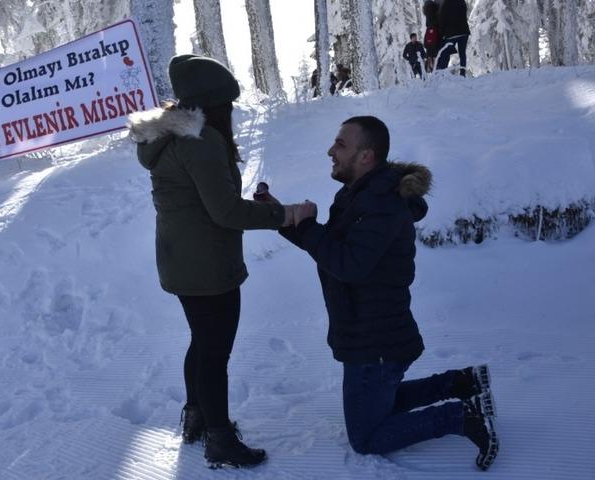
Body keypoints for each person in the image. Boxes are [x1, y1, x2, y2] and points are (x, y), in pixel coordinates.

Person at [269, 116, 499, 471]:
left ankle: (461, 417)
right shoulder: (359, 195)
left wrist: (310, 225)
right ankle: (462, 382)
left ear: (366, 156)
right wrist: (283, 219)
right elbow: (333, 246)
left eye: (340, 144)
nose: (331, 151)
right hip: (370, 332)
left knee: (367, 438)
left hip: (374, 341)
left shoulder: (382, 205)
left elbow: (349, 264)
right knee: (379, 402)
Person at [128, 54, 303, 469]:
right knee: (214, 350)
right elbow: (224, 212)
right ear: (213, 104)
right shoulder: (201, 141)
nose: (233, 112)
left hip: (180, 260)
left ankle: (197, 416)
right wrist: (287, 214)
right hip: (207, 265)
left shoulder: (169, 137)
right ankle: (220, 439)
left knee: (202, 341)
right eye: (228, 103)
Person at [436, 0, 471, 76]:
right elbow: (464, 14)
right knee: (462, 54)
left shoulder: (446, 3)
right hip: (463, 32)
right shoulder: (461, 1)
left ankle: (442, 73)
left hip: (451, 33)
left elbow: (442, 20)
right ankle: (462, 74)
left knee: (445, 53)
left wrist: (441, 35)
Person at [422, 0, 441, 72]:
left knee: (429, 54)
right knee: (436, 54)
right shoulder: (435, 8)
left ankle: (429, 68)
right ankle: (435, 68)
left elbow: (427, 24)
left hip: (429, 35)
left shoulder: (426, 12)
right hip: (436, 32)